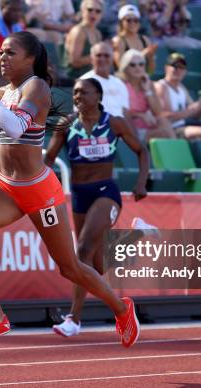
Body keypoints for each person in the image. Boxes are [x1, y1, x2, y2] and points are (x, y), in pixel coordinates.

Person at [0, 31, 140, 351]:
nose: (2, 58)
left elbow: (16, 127)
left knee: (69, 266)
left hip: (38, 190)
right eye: (0, 52)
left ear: (30, 58)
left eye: (10, 53)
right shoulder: (4, 89)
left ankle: (122, 309)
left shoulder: (37, 87)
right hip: (3, 184)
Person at [45, 77, 149, 337]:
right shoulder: (66, 124)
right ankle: (139, 234)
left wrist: (141, 182)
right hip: (80, 195)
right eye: (75, 93)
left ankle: (74, 319)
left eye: (84, 92)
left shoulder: (114, 123)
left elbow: (142, 151)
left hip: (106, 192)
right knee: (97, 266)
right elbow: (48, 158)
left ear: (98, 97)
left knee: (81, 251)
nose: (78, 96)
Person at [118, 49, 174, 141]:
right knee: (165, 133)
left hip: (148, 126)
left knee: (163, 121)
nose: (137, 68)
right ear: (125, 67)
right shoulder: (120, 84)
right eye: (132, 65)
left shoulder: (148, 84)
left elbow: (158, 112)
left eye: (141, 64)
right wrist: (140, 115)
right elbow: (120, 112)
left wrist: (147, 91)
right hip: (130, 128)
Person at [80, 42, 130, 118]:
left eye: (106, 56)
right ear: (91, 58)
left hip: (120, 126)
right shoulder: (85, 82)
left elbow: (125, 112)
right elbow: (84, 114)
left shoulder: (119, 83)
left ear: (112, 58)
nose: (102, 59)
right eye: (98, 55)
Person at [111, 4, 157, 75]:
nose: (132, 23)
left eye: (135, 20)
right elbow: (120, 68)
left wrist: (150, 57)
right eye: (128, 20)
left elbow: (151, 71)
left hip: (141, 82)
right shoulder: (118, 40)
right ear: (121, 22)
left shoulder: (145, 39)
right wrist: (142, 55)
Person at [63, 0, 103, 80]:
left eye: (98, 11)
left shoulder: (97, 33)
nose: (93, 13)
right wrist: (97, 57)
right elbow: (74, 62)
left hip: (92, 77)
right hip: (76, 78)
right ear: (82, 11)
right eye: (90, 10)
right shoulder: (79, 31)